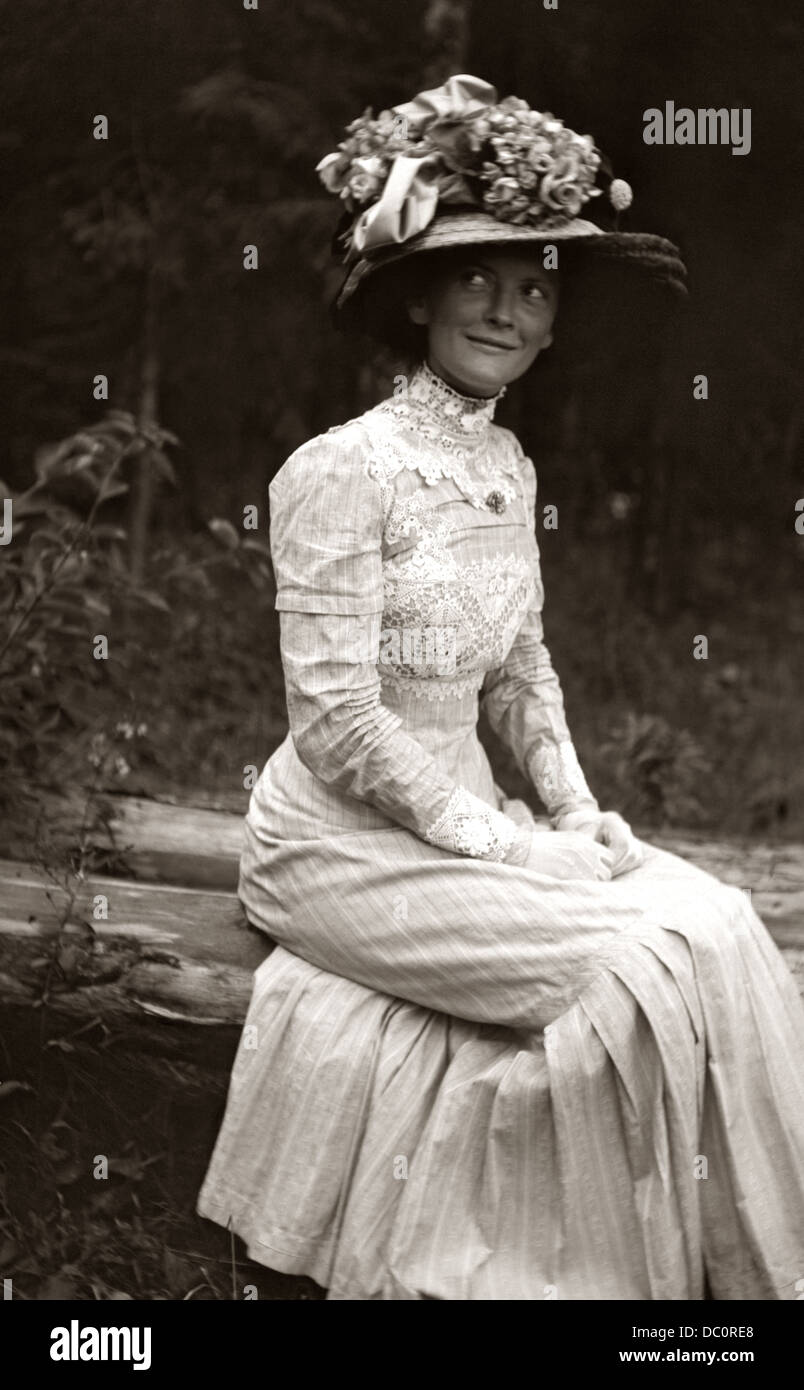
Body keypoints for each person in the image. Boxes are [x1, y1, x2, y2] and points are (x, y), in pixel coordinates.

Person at [197, 75, 804, 1300]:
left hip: (466, 817)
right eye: (478, 277)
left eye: (535, 287)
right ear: (416, 291)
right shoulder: (338, 470)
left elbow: (521, 667)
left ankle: (766, 1282)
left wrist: (573, 812)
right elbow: (339, 719)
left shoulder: (508, 461)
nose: (508, 309)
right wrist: (501, 846)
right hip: (336, 840)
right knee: (638, 968)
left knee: (723, 921)